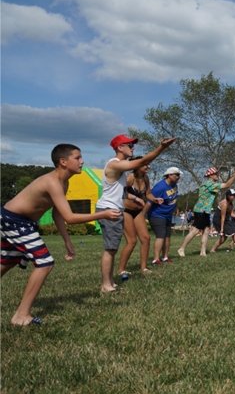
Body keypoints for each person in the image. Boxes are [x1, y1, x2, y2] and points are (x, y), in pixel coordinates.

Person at [1, 144, 122, 325]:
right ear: (63, 162)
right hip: (14, 220)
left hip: (19, 221)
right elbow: (70, 217)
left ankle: (21, 314)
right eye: (78, 158)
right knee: (44, 262)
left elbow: (58, 213)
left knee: (8, 261)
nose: (82, 162)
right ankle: (21, 316)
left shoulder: (64, 182)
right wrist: (102, 214)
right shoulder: (52, 182)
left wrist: (67, 241)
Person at [95, 134, 175, 292]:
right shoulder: (115, 164)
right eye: (130, 145)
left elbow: (122, 191)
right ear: (120, 147)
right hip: (112, 209)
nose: (133, 148)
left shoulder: (123, 169)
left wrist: (146, 199)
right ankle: (107, 284)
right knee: (113, 248)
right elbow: (141, 162)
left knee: (119, 246)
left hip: (117, 209)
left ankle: (110, 282)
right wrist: (162, 147)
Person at [178, 167, 235, 257]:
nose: (217, 176)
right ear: (210, 175)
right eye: (216, 174)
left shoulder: (207, 184)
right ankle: (181, 249)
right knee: (195, 231)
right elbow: (227, 185)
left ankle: (203, 252)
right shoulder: (210, 185)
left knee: (206, 231)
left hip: (205, 211)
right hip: (201, 210)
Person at [117, 156, 153, 276]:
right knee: (132, 241)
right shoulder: (129, 178)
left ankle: (143, 268)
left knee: (146, 238)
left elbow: (148, 194)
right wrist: (135, 198)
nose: (148, 166)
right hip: (126, 210)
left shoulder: (145, 178)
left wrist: (156, 199)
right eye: (145, 164)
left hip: (137, 212)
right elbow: (120, 193)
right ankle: (121, 269)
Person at [147, 167, 181, 266]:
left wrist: (176, 207)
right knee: (160, 236)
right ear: (170, 175)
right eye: (177, 175)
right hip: (157, 214)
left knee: (167, 236)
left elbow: (175, 197)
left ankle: (165, 257)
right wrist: (142, 215)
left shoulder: (174, 185)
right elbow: (149, 201)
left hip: (168, 215)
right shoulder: (160, 187)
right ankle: (156, 259)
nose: (179, 177)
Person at [209, 189, 235, 253]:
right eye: (233, 195)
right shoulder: (224, 204)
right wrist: (222, 229)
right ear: (228, 196)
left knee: (226, 236)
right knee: (224, 237)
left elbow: (231, 214)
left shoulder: (230, 203)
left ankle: (212, 249)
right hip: (219, 221)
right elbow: (222, 217)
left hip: (224, 220)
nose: (234, 197)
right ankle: (212, 249)